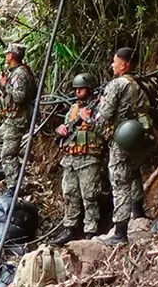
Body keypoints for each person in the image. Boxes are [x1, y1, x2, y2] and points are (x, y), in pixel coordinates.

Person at [92, 47, 151, 246]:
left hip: (122, 138)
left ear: (124, 65)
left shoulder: (117, 84)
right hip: (138, 137)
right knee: (134, 174)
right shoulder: (142, 83)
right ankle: (139, 213)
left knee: (119, 181)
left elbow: (105, 115)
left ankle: (120, 232)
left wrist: (91, 117)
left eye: (114, 61)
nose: (112, 65)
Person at [53, 73, 104, 246]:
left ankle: (91, 229)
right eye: (76, 89)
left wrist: (88, 118)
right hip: (70, 160)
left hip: (89, 159)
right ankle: (70, 227)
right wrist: (61, 129)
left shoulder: (99, 108)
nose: (77, 92)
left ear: (89, 89)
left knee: (89, 195)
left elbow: (105, 131)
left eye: (81, 89)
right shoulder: (73, 109)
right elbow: (67, 128)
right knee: (69, 194)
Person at [0, 43, 35, 197]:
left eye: (7, 53)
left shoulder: (20, 73)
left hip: (18, 119)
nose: (5, 56)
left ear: (12, 56)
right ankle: (16, 165)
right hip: (11, 118)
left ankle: (14, 187)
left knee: (7, 155)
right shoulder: (14, 72)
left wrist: (5, 86)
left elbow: (20, 96)